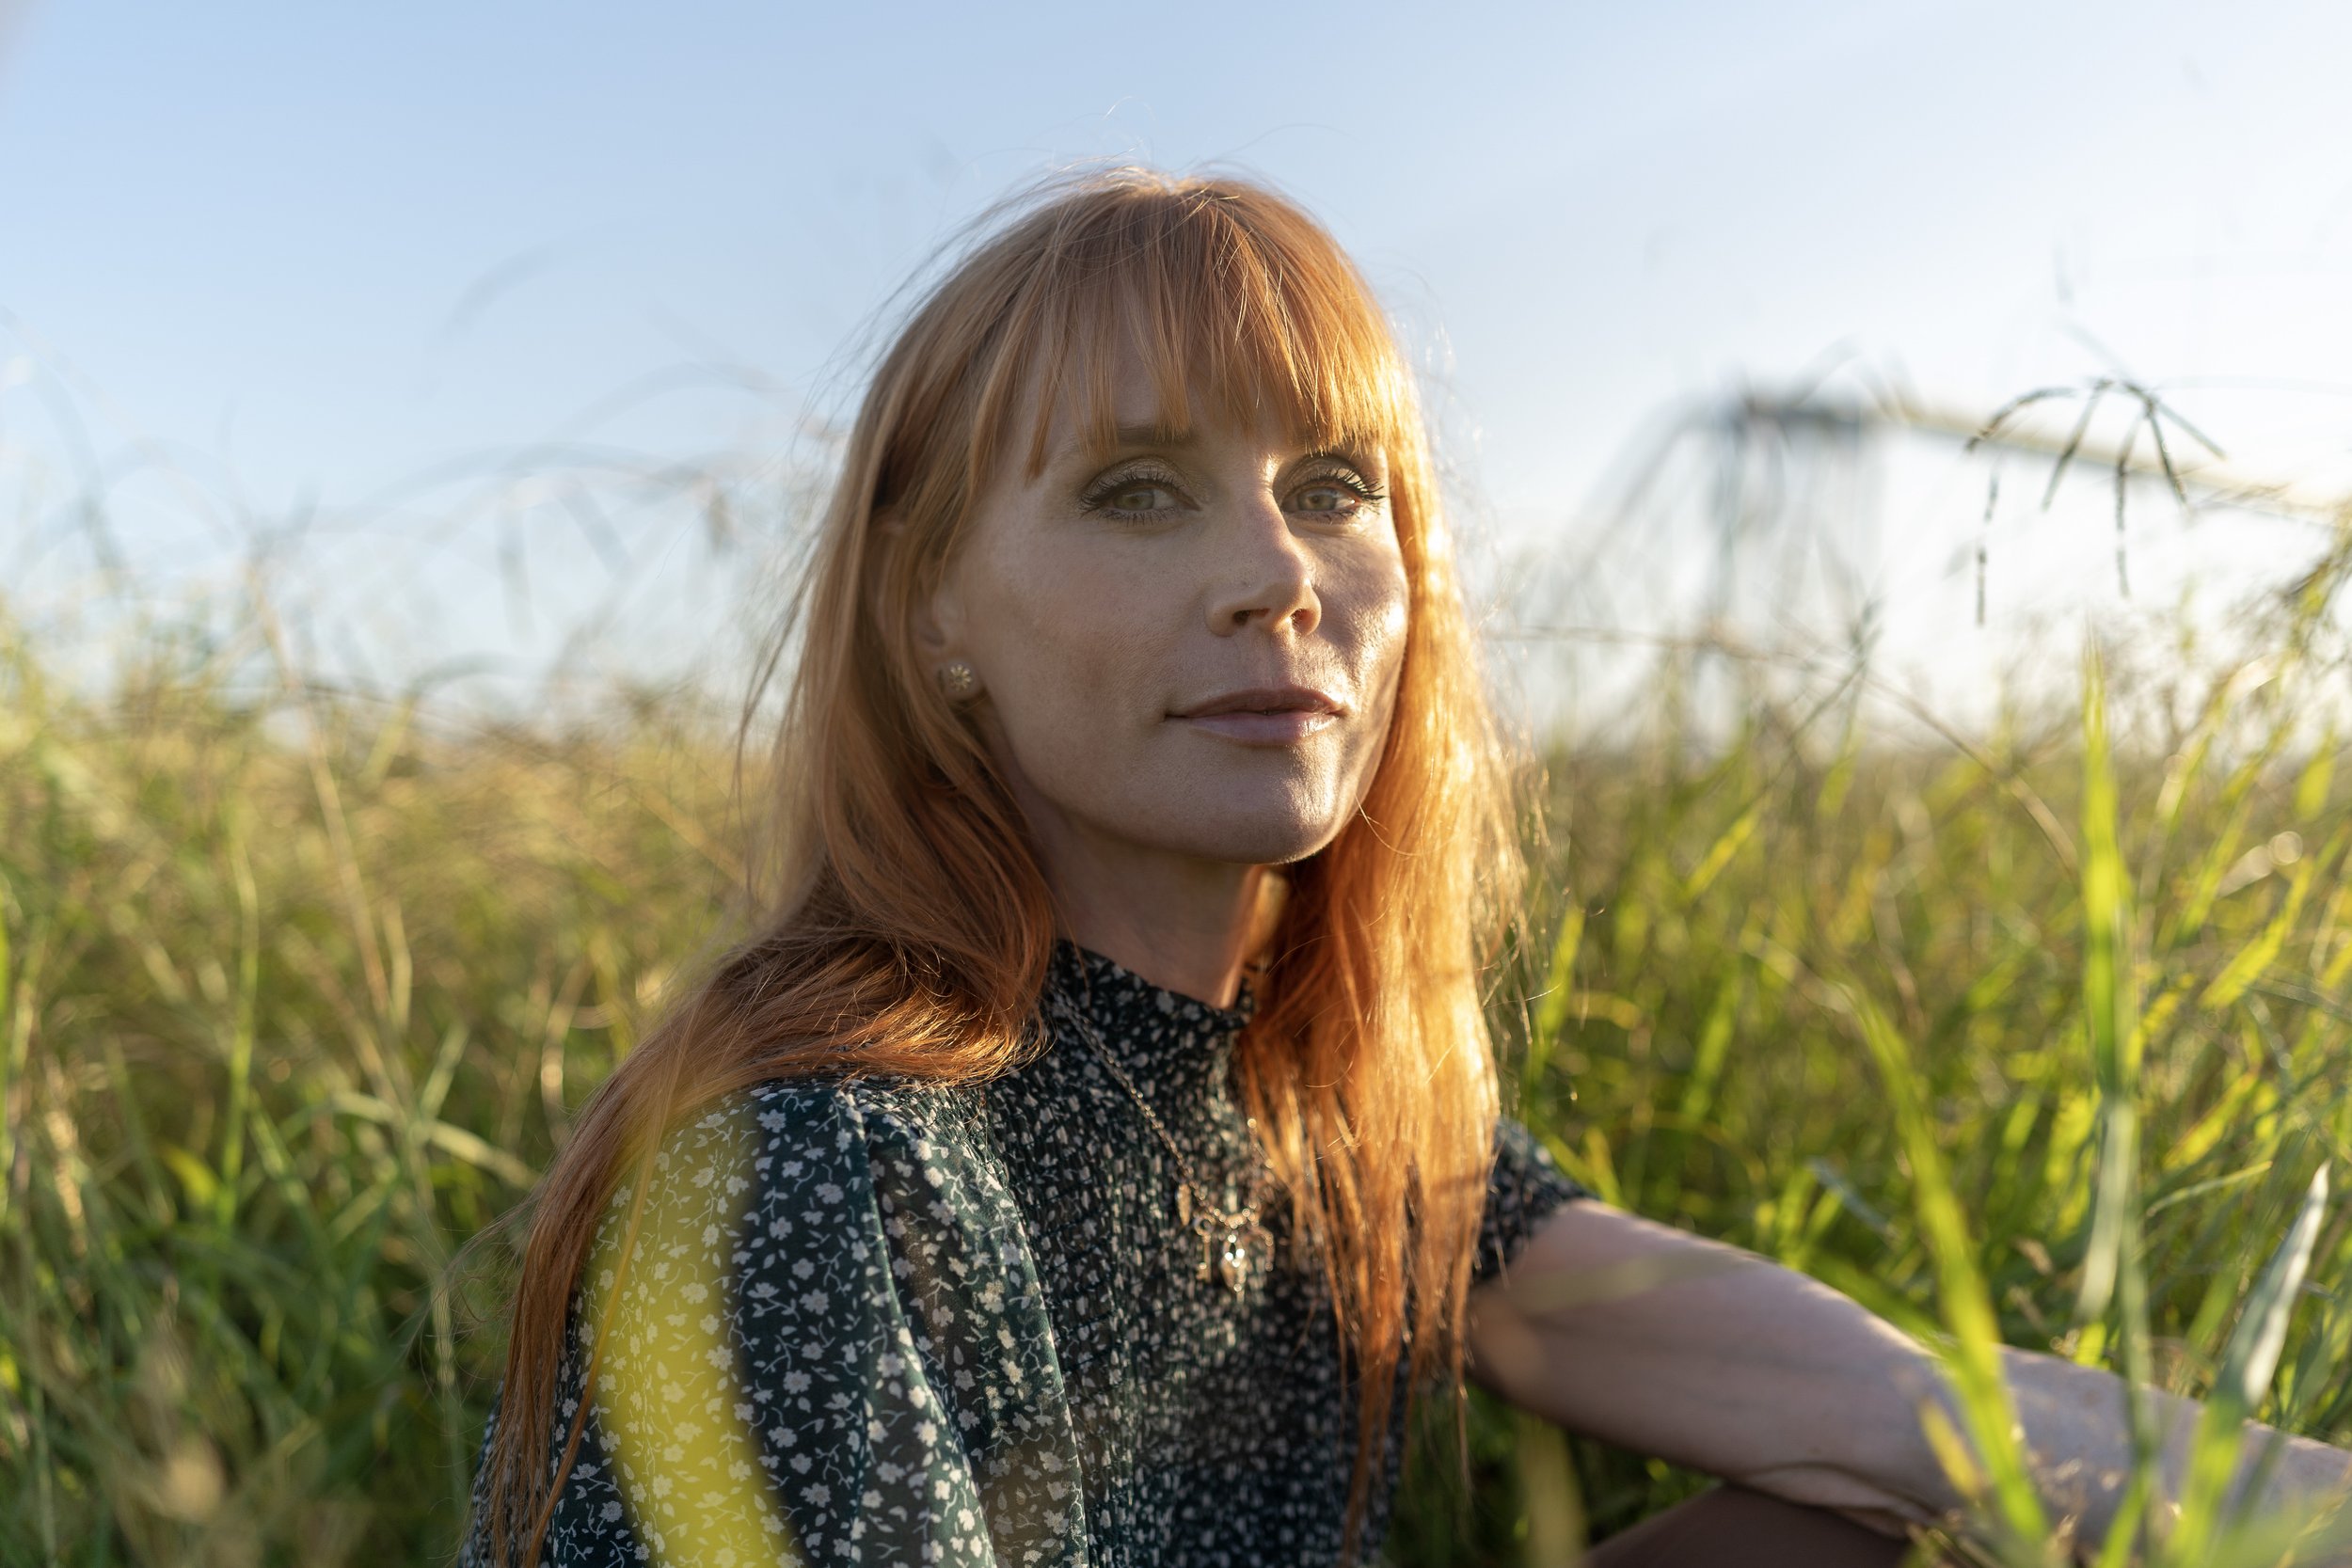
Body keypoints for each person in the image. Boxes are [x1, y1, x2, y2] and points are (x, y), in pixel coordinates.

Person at [459, 167, 2352, 1568]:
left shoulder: (1328, 1111)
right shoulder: (824, 1166)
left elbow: (1905, 1409)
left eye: (1330, 488)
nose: (1278, 570)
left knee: (1884, 1529)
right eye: (1136, 489)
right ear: (930, 604)